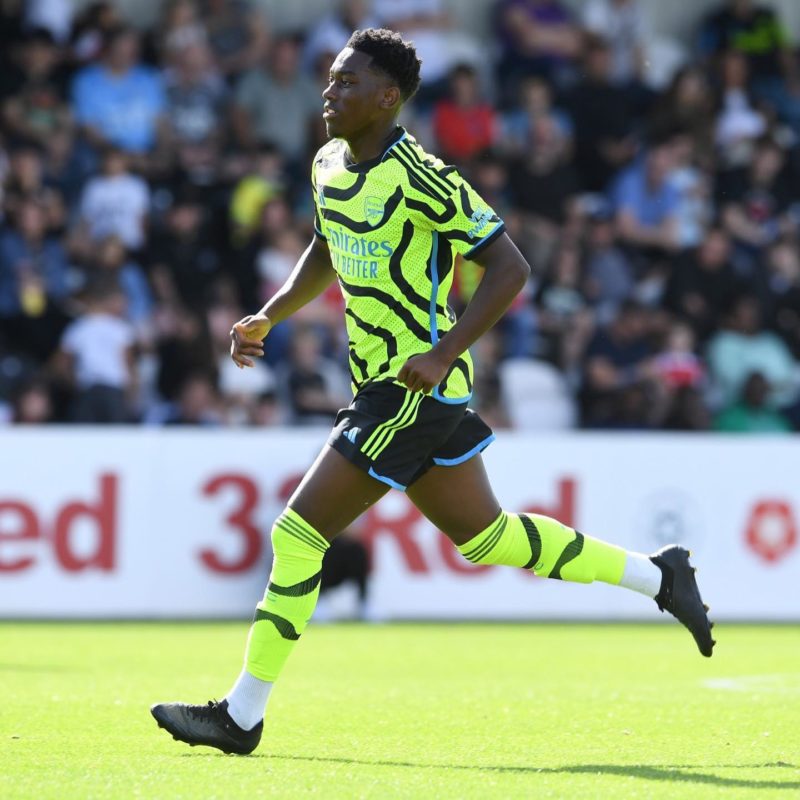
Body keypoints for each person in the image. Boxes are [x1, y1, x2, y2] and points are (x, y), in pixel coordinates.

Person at [151, 29, 715, 756]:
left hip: (409, 386)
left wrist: (445, 352)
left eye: (347, 82)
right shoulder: (327, 162)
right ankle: (659, 577)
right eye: (330, 79)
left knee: (298, 533)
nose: (331, 92)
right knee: (487, 535)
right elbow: (327, 246)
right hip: (389, 383)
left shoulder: (422, 175)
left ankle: (241, 715)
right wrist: (272, 312)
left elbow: (509, 267)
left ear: (388, 98)